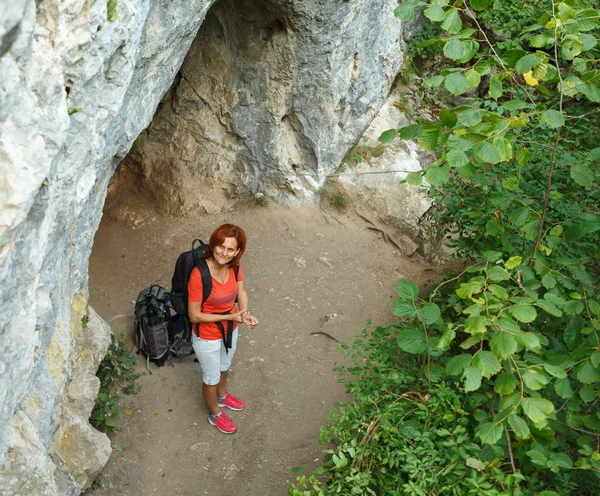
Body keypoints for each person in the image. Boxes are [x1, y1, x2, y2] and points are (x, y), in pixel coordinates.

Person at [187, 224, 259, 434]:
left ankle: (222, 396)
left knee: (225, 365)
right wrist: (232, 316)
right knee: (211, 377)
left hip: (230, 328)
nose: (224, 253)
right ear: (213, 244)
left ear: (237, 252)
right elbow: (194, 315)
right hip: (206, 336)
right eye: (221, 246)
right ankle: (215, 414)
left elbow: (241, 291)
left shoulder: (235, 265)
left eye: (230, 249)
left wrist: (244, 313)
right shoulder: (199, 274)